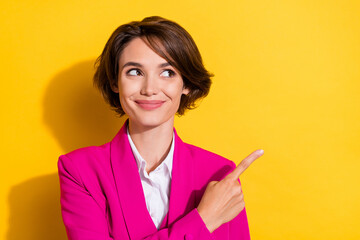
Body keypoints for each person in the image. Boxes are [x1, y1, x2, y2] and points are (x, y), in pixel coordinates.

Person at [57, 16, 264, 240]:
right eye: (135, 71)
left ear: (186, 84)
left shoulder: (219, 174)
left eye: (167, 72)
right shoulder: (80, 171)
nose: (150, 89)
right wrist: (204, 220)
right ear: (115, 82)